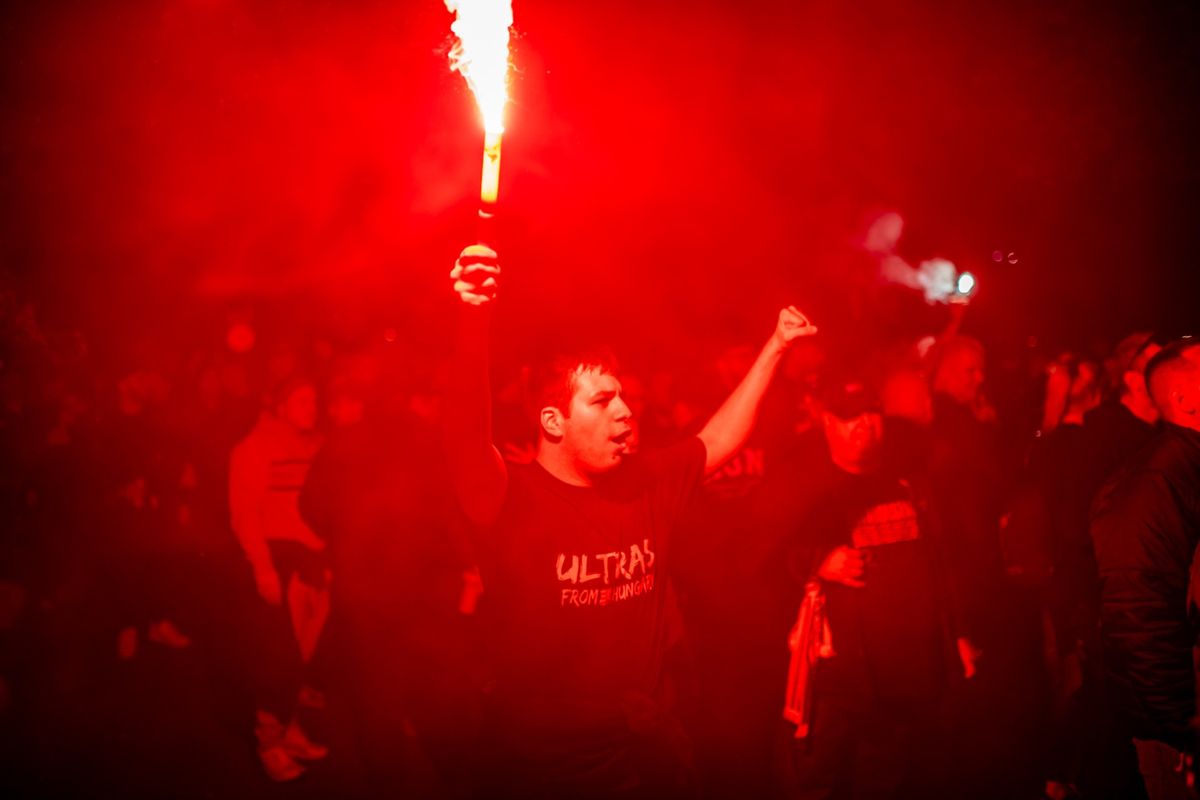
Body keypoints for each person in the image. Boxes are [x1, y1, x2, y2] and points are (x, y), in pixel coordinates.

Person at [443, 244, 817, 795]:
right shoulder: (509, 498)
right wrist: (473, 318)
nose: (624, 411)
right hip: (541, 769)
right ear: (553, 421)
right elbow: (465, 438)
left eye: (623, 398)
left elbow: (718, 438)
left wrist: (777, 346)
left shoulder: (645, 483)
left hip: (640, 757)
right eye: (601, 402)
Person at [776, 372, 977, 799]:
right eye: (850, 417)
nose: (864, 425)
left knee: (892, 778)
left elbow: (943, 561)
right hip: (838, 682)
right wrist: (818, 561)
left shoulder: (910, 480)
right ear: (827, 422)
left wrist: (958, 634)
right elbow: (763, 557)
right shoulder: (807, 489)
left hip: (906, 677)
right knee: (819, 781)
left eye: (871, 414)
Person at [1091, 338, 1200, 800]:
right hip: (1182, 733)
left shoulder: (1186, 469)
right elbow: (1139, 612)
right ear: (1183, 399)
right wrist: (1186, 727)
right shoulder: (1153, 484)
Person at [228, 375, 329, 781]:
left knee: (300, 657)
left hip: (309, 562)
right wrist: (263, 567)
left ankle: (289, 728)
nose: (312, 408)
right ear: (280, 406)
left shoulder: (310, 447)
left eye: (314, 400)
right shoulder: (252, 448)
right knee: (278, 659)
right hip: (278, 561)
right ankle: (268, 742)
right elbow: (244, 515)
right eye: (302, 401)